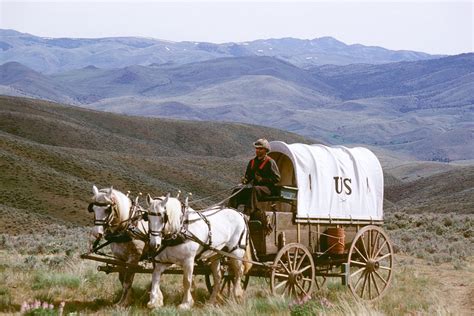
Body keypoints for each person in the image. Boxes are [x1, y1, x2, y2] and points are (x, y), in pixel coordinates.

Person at [229, 138, 281, 234]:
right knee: (237, 190)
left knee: (255, 189)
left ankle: (247, 213)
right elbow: (248, 177)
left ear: (265, 150)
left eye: (260, 149)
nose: (258, 150)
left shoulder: (270, 162)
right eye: (257, 148)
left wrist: (263, 180)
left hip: (268, 188)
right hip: (255, 188)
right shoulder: (252, 162)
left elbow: (277, 178)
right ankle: (231, 211)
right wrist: (244, 181)